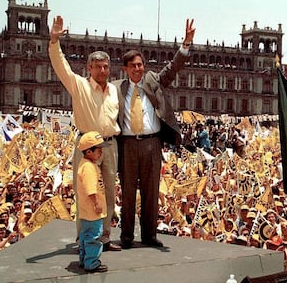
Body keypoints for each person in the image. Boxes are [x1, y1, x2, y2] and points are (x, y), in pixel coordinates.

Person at [114, 19, 195, 249]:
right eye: (133, 66)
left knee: (151, 191)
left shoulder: (152, 80)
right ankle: (127, 236)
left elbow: (172, 69)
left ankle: (149, 235)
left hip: (152, 143)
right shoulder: (116, 88)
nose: (138, 68)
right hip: (127, 145)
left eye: (140, 64)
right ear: (126, 69)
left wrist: (186, 44)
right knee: (128, 192)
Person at [49, 15, 121, 252]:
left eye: (106, 66)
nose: (102, 70)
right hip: (86, 147)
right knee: (84, 192)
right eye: (97, 66)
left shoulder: (114, 91)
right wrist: (54, 41)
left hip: (109, 145)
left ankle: (105, 237)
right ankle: (83, 238)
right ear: (88, 68)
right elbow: (61, 66)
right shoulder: (79, 85)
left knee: (109, 192)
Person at [76, 131, 109, 273]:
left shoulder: (86, 164)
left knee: (85, 235)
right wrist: (97, 203)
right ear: (89, 151)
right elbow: (90, 189)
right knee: (94, 237)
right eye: (98, 149)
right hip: (92, 210)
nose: (101, 152)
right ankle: (92, 263)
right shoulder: (88, 168)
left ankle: (84, 259)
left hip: (86, 210)